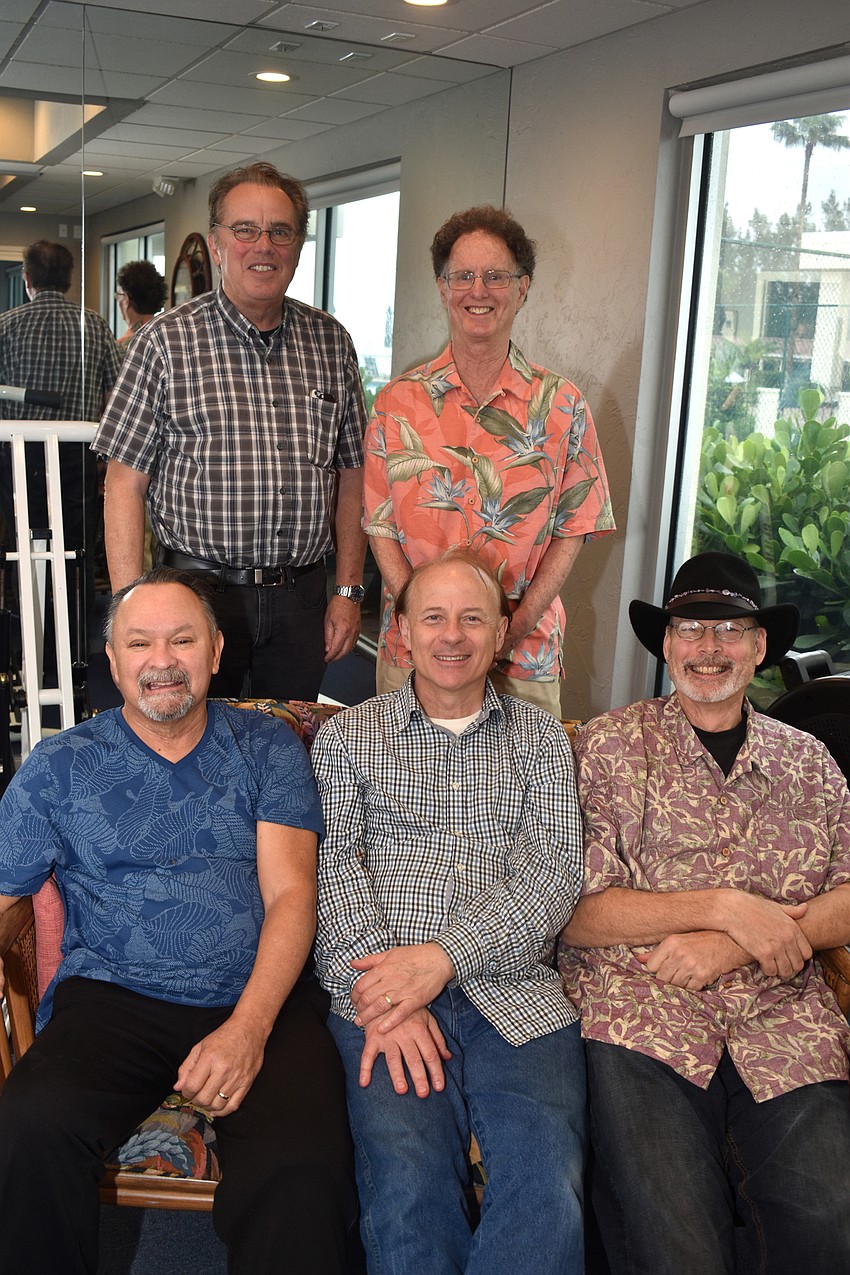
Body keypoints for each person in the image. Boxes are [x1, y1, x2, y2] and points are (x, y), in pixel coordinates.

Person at [0, 568, 361, 1275]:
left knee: (302, 1165)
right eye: (140, 642)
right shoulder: (59, 765)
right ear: (113, 658)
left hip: (259, 993)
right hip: (111, 997)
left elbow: (292, 895)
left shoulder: (267, 747)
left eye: (182, 639)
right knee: (31, 1124)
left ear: (216, 649)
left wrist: (249, 1028)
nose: (161, 660)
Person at [559, 551, 850, 1274]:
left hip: (783, 1019)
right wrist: (728, 908)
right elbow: (577, 913)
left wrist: (740, 943)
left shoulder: (812, 764)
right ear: (666, 644)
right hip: (639, 1015)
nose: (708, 648)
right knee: (677, 1240)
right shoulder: (607, 746)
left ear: (759, 647)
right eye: (690, 628)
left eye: (729, 631)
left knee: (830, 1222)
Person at [312, 551, 586, 1274]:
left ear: (501, 634)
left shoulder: (542, 743)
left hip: (518, 999)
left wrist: (441, 960)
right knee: (408, 1189)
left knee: (547, 1187)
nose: (453, 635)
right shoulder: (345, 740)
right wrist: (387, 996)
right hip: (383, 1001)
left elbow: (553, 877)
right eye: (433, 616)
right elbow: (332, 871)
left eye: (473, 618)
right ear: (399, 631)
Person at [95, 162, 368, 701]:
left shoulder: (332, 344)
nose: (261, 245)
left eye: (280, 231)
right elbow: (123, 486)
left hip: (301, 600)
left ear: (296, 246)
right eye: (244, 229)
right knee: (197, 754)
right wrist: (132, 610)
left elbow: (353, 474)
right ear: (217, 244)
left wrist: (350, 590)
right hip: (198, 596)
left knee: (287, 747)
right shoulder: (164, 345)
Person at [363, 205, 615, 717]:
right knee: (401, 792)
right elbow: (379, 525)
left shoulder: (562, 405)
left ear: (523, 289)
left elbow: (574, 529)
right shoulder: (397, 403)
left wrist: (513, 627)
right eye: (463, 276)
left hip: (522, 653)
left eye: (497, 276)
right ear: (442, 287)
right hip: (414, 653)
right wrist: (426, 622)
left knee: (524, 796)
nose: (479, 291)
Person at [0, 240, 121, 628]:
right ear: (70, 280)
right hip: (77, 459)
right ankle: (71, 642)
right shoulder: (96, 326)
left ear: (27, 278)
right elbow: (115, 401)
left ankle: (26, 636)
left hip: (19, 461)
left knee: (22, 549)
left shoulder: (6, 326)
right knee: (74, 552)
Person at [115, 259, 168, 347]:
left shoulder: (121, 348)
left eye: (118, 295)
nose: (117, 300)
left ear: (127, 299)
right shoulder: (168, 337)